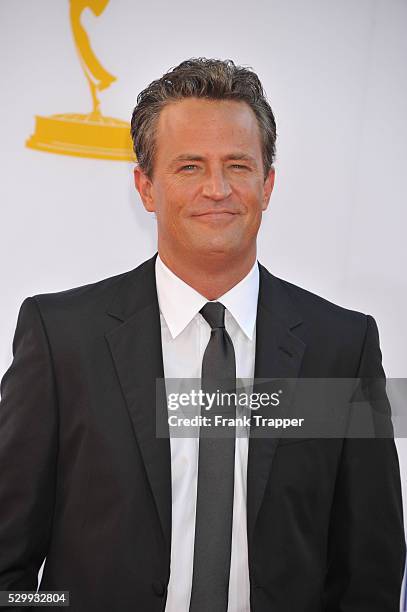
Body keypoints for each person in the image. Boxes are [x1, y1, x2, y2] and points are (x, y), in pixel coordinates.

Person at [0, 58, 405, 612]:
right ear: (146, 186)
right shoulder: (61, 338)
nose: (217, 189)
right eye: (189, 166)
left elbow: (370, 572)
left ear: (267, 184)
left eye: (238, 166)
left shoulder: (342, 348)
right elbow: (8, 563)